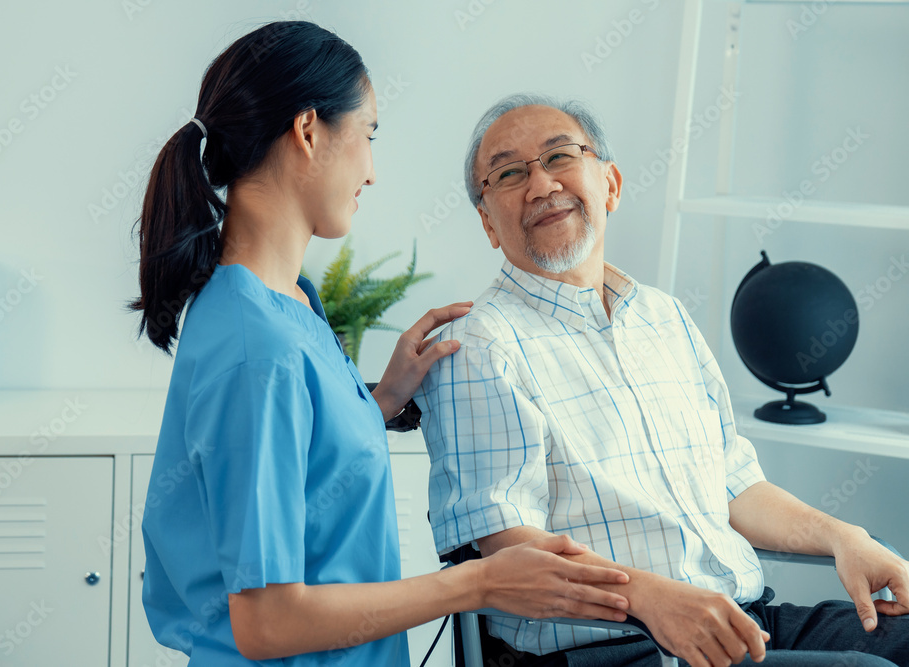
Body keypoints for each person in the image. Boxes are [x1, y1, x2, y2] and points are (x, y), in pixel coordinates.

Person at [132, 24, 635, 667]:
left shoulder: (290, 300)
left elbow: (300, 471)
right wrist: (477, 583)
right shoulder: (257, 348)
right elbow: (266, 622)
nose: (371, 171)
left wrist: (380, 400)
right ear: (309, 131)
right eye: (368, 136)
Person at [416, 94, 909, 667]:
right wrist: (649, 599)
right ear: (488, 224)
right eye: (509, 173)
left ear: (611, 184)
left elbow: (736, 487)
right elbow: (510, 548)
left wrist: (842, 536)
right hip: (612, 650)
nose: (541, 184)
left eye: (559, 157)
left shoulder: (664, 316)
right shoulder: (479, 345)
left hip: (743, 622)